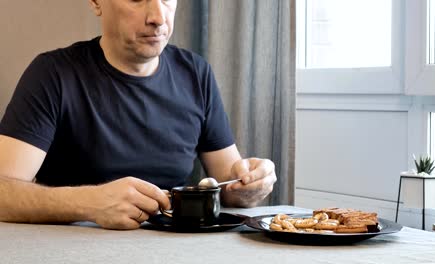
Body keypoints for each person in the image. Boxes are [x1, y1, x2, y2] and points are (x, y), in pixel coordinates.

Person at [0, 0, 276, 230]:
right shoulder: (53, 74)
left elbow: (229, 186)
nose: (158, 16)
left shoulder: (195, 73)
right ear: (96, 3)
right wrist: (89, 203)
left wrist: (250, 185)